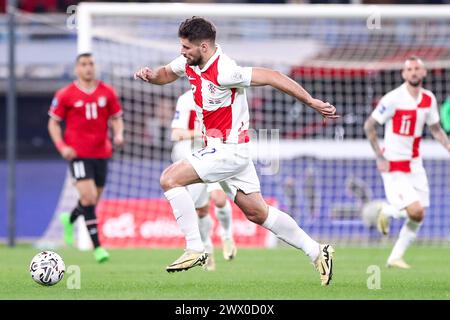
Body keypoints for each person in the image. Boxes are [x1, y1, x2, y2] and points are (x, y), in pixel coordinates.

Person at [134, 17, 338, 285]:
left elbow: (272, 76)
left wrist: (310, 101)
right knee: (256, 212)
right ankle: (317, 250)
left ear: (204, 46)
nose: (182, 52)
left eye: (186, 47)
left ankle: (195, 248)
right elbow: (166, 74)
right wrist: (150, 76)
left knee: (169, 178)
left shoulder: (225, 71)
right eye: (181, 47)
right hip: (225, 150)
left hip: (228, 149)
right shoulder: (188, 62)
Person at [364, 56, 450, 269]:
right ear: (403, 74)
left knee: (419, 215)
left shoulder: (428, 99)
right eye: (409, 69)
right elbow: (369, 126)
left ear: (424, 73)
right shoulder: (393, 99)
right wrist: (379, 156)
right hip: (393, 164)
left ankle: (395, 256)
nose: (413, 72)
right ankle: (386, 211)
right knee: (415, 210)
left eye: (416, 69)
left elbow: (436, 129)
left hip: (414, 164)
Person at [48, 53, 124, 263]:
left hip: (101, 153)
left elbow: (117, 118)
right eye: (83, 64)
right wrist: (62, 147)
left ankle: (69, 218)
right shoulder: (65, 94)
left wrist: (118, 134)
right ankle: (98, 248)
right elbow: (53, 123)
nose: (88, 68)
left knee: (91, 200)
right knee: (89, 198)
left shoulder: (107, 92)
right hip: (78, 154)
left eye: (91, 64)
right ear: (76, 69)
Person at [171, 90, 237, 271]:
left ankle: (226, 235)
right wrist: (200, 132)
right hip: (195, 159)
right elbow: (176, 134)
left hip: (217, 156)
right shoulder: (185, 100)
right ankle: (207, 248)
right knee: (201, 210)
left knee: (220, 198)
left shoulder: (221, 94)